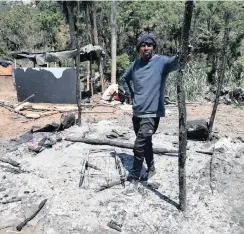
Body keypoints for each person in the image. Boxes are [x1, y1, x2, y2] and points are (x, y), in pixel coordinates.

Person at [119, 33, 180, 196]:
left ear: (153, 47)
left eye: (149, 45)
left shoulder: (161, 62)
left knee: (138, 145)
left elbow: (177, 62)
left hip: (152, 113)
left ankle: (134, 179)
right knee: (146, 143)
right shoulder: (135, 65)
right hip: (137, 111)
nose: (146, 48)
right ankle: (151, 169)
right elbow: (123, 79)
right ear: (139, 48)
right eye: (143, 45)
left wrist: (184, 54)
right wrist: (130, 94)